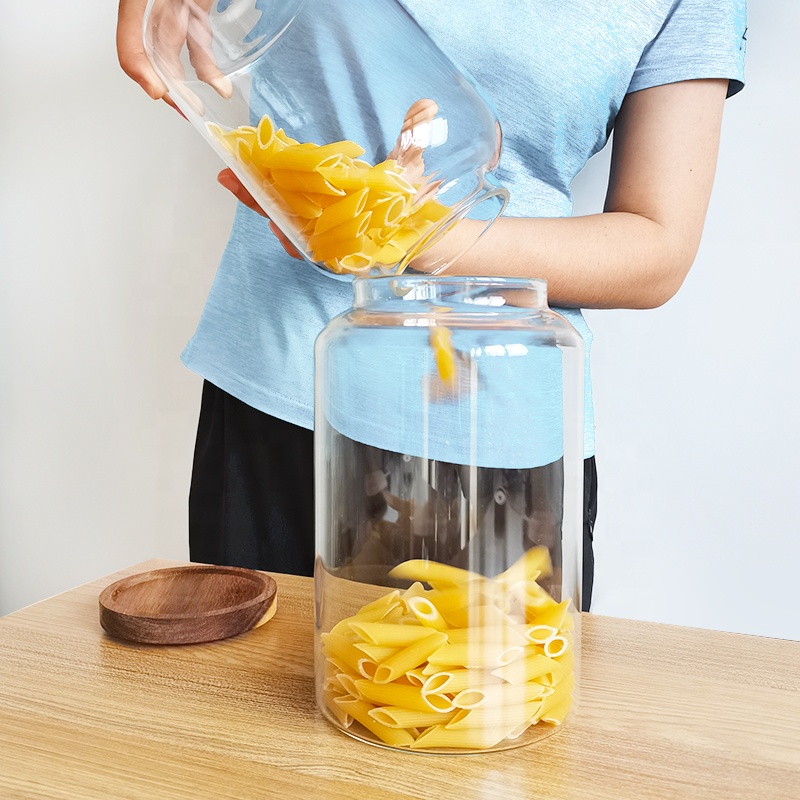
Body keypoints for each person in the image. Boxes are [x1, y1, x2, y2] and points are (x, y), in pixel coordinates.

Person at [117, 0, 747, 611]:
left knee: (488, 684)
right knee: (240, 686)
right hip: (278, 383)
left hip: (497, 441)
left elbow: (657, 248)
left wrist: (405, 231)